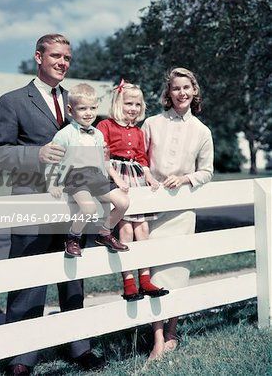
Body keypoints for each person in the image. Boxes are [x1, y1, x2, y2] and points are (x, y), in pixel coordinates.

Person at [0, 34, 103, 376]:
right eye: (56, 55)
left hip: (73, 203)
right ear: (38, 57)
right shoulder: (12, 101)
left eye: (67, 57)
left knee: (73, 276)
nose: (63, 62)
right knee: (28, 276)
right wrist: (34, 154)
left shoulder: (76, 101)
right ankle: (22, 356)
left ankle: (78, 346)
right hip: (31, 201)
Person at [142, 67, 214, 361]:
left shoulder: (202, 130)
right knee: (154, 272)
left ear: (194, 91)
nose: (181, 93)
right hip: (151, 209)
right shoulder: (151, 123)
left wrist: (185, 179)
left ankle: (172, 332)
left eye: (187, 87)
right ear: (168, 93)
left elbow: (207, 172)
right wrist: (147, 175)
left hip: (183, 211)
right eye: (175, 88)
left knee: (177, 272)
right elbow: (137, 159)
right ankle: (157, 338)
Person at [97, 80, 169, 301]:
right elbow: (102, 155)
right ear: (118, 103)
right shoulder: (106, 126)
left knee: (143, 230)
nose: (133, 108)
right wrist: (116, 178)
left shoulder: (138, 132)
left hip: (136, 178)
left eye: (137, 105)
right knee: (126, 230)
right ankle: (129, 282)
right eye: (129, 103)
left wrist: (148, 176)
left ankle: (145, 279)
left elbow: (141, 157)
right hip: (118, 177)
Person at [47, 83, 130, 257]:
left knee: (123, 203)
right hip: (76, 177)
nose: (88, 113)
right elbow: (52, 160)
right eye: (83, 108)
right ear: (70, 110)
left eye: (92, 108)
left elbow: (103, 160)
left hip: (97, 177)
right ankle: (73, 237)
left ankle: (105, 233)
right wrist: (52, 184)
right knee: (89, 209)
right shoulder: (65, 134)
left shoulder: (98, 134)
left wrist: (114, 178)